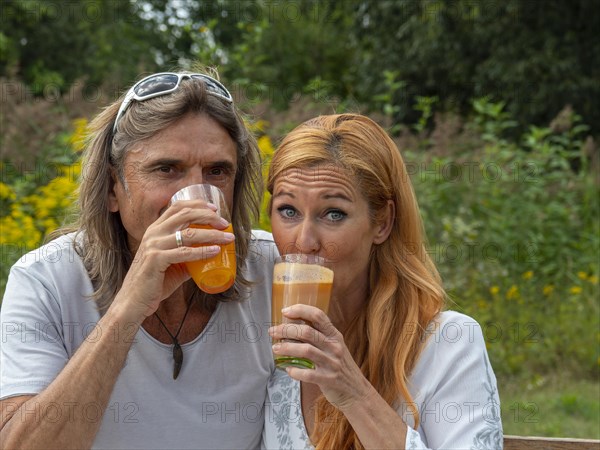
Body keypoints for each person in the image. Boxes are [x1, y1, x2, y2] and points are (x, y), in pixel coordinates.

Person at [0, 70, 277, 449]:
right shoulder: (45, 279)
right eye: (167, 169)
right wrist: (127, 311)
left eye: (217, 172)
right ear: (114, 187)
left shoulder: (272, 268)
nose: (196, 197)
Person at [262, 114, 503, 449]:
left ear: (383, 223)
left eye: (334, 213)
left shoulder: (448, 344)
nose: (304, 241)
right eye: (288, 210)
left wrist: (352, 391)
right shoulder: (268, 339)